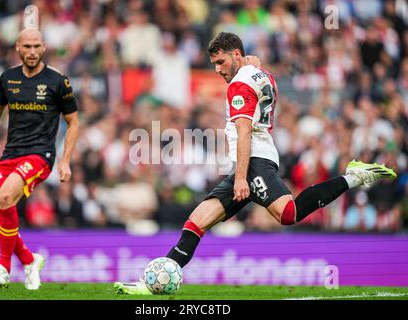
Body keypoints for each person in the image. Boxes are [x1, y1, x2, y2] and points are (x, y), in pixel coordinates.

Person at [114, 32, 397, 295]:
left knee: (289, 214)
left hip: (253, 161)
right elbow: (254, 66)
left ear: (236, 54)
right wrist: (249, 62)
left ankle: (353, 177)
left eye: (221, 61)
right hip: (254, 157)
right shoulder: (259, 73)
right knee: (196, 221)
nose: (217, 69)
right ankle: (150, 285)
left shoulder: (238, 86)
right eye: (213, 64)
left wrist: (240, 178)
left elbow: (244, 131)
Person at [0, 28, 79, 290]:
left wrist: (66, 160)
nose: (33, 52)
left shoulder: (58, 82)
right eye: (28, 47)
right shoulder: (7, 79)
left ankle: (4, 268)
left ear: (44, 47)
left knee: (5, 198)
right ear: (18, 48)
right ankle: (28, 258)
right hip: (11, 153)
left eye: (37, 46)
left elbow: (73, 122)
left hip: (40, 155)